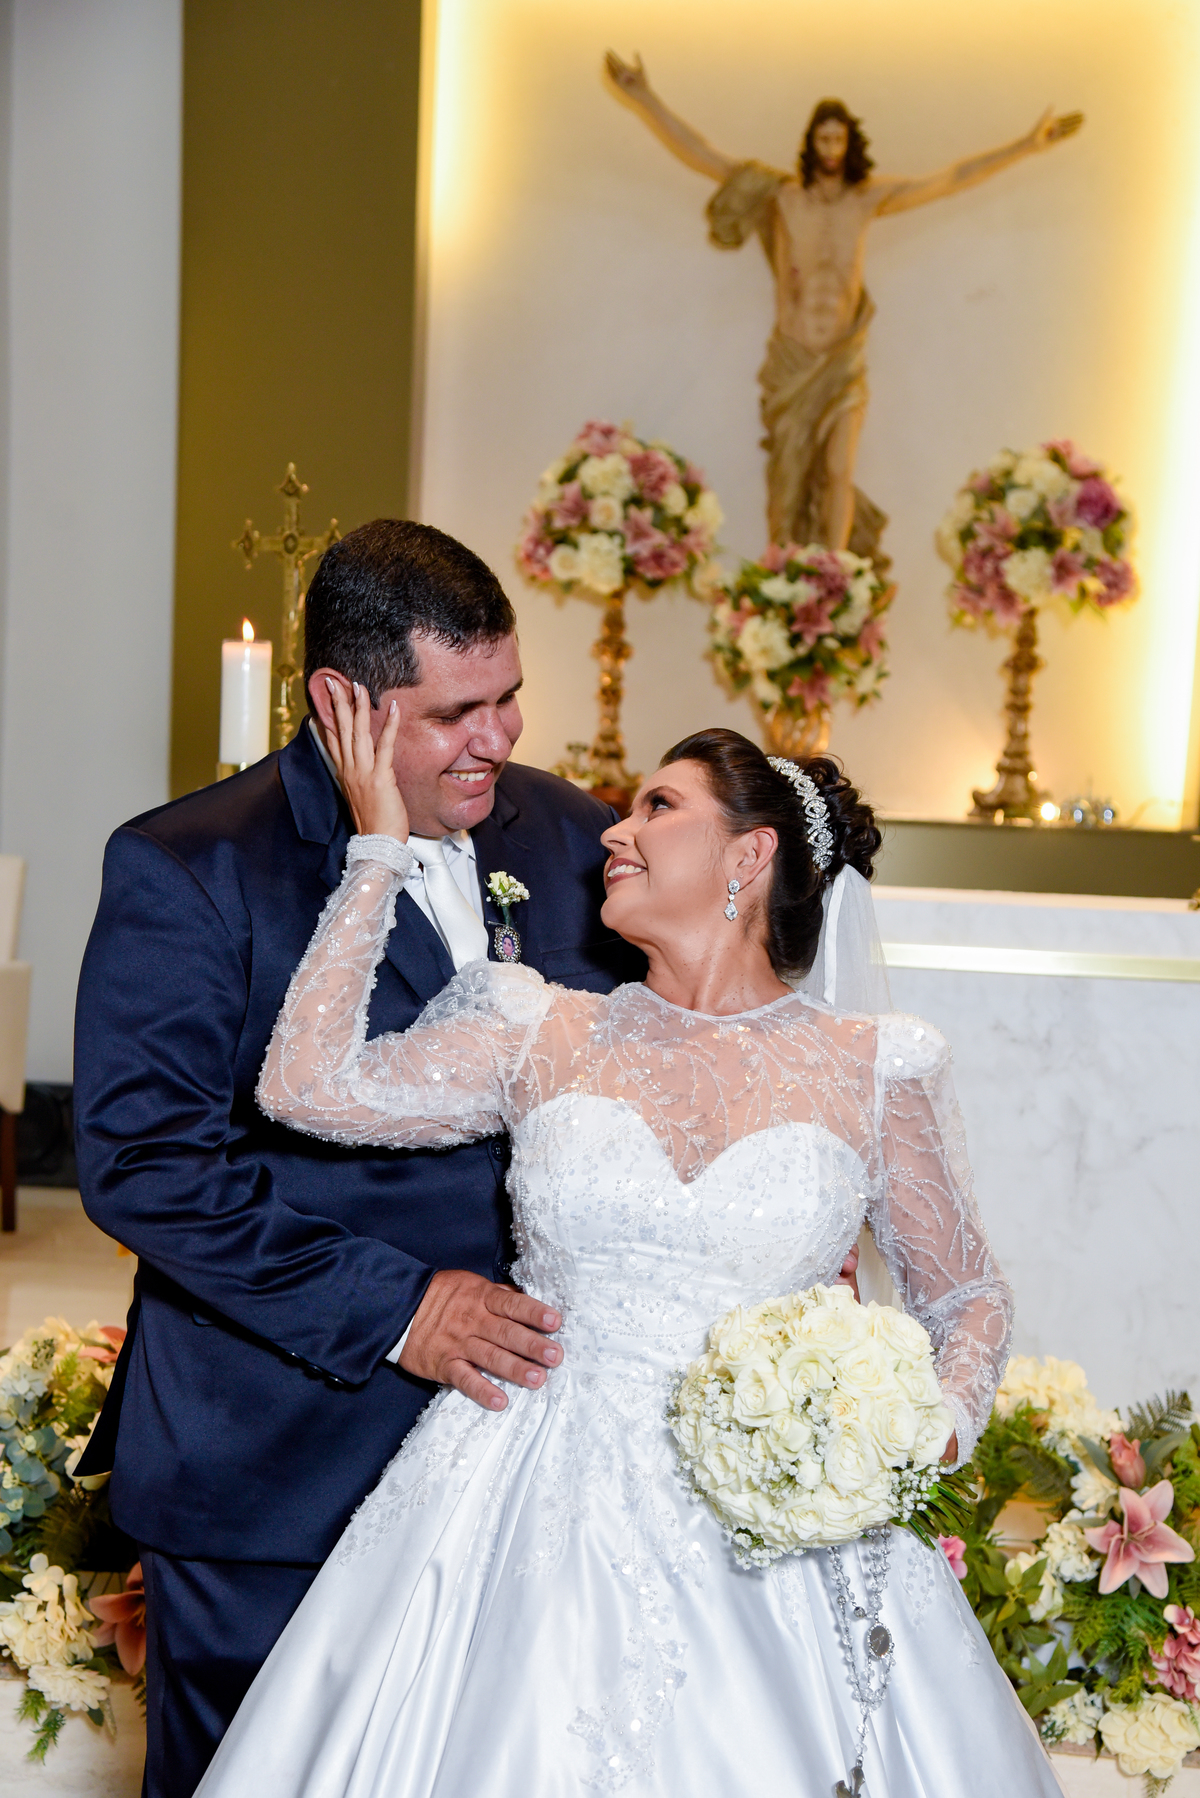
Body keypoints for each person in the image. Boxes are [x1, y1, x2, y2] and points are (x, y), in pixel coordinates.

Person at [195, 699, 1064, 1797]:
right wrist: (378, 852)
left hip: (778, 1515)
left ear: (748, 855)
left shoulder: (874, 1068)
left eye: (658, 806)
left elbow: (969, 1294)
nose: (615, 829)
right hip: (526, 1496)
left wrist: (923, 1431)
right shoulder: (543, 1029)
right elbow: (304, 1086)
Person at [72, 519, 652, 1797]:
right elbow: (146, 1165)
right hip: (274, 1462)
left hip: (526, 1460)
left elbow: (667, 1063)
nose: (497, 738)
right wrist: (401, 1308)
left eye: (509, 698)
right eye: (455, 714)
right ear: (343, 700)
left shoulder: (572, 836)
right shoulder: (191, 865)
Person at [604, 53, 1082, 558]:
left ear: (850, 144)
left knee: (839, 470)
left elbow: (951, 177)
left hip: (843, 361)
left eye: (838, 139)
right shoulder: (783, 196)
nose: (831, 149)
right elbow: (703, 153)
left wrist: (1026, 145)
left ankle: (834, 573)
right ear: (810, 143)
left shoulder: (867, 198)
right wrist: (644, 98)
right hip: (792, 361)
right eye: (823, 139)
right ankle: (781, 570)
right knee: (786, 481)